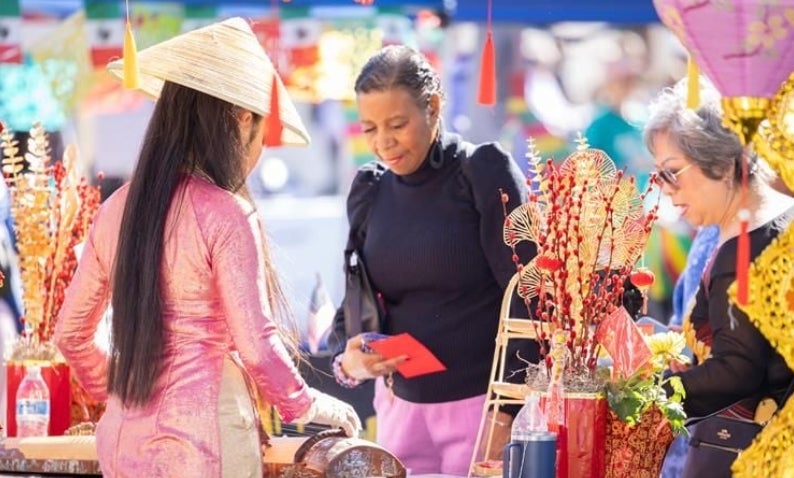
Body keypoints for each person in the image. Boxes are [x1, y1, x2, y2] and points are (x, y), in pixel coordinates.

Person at [54, 18, 360, 478]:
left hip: (123, 439)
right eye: (260, 129)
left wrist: (115, 386)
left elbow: (71, 335)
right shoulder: (227, 213)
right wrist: (308, 405)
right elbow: (256, 348)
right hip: (205, 439)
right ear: (241, 119)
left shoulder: (116, 207)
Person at [327, 45, 536, 475]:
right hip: (398, 410)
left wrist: (505, 414)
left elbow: (530, 300)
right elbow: (357, 301)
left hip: (482, 409)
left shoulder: (484, 171)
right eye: (369, 128)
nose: (383, 142)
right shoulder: (370, 188)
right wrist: (348, 360)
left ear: (434, 106)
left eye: (398, 125)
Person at [644, 79, 794, 478]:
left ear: (720, 164)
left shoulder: (746, 244)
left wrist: (649, 395)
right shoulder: (786, 212)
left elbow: (737, 370)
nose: (664, 190)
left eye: (671, 174)